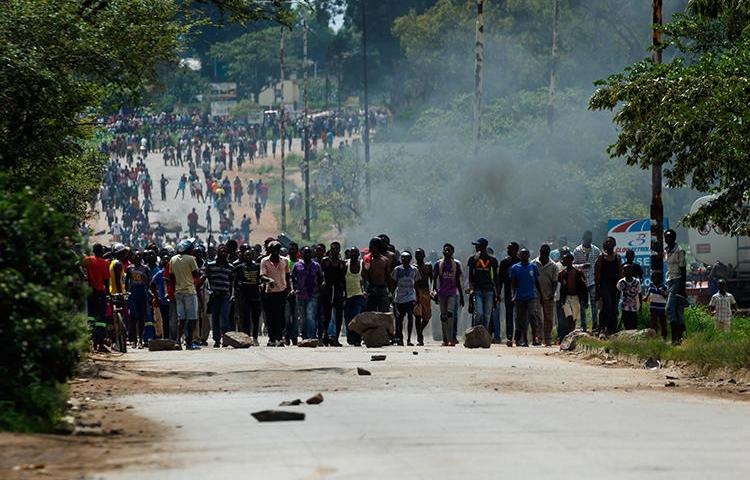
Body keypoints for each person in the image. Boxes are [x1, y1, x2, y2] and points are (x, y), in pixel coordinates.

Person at [169, 239, 201, 349]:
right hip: (190, 292)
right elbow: (196, 275)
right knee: (192, 318)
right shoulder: (191, 259)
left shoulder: (172, 260)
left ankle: (178, 341)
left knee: (181, 319)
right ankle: (189, 342)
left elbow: (171, 277)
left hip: (178, 292)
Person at [432, 243, 464, 347]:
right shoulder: (438, 264)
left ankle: (451, 338)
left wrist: (462, 296)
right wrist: (434, 291)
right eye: (445, 250)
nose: (446, 252)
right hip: (442, 293)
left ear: (452, 252)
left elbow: (457, 281)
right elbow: (435, 278)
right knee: (443, 316)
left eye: (449, 250)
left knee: (450, 315)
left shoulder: (455, 265)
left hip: (452, 293)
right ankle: (445, 338)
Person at [260, 241, 290, 346]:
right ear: (270, 250)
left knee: (281, 316)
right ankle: (271, 338)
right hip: (269, 293)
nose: (276, 252)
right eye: (274, 250)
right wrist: (269, 280)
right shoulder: (264, 261)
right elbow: (262, 276)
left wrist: (289, 290)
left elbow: (287, 276)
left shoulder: (285, 261)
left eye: (278, 249)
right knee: (270, 316)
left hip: (281, 292)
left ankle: (279, 337)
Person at [291, 246, 323, 341]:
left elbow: (321, 278)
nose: (307, 254)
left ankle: (312, 336)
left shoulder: (316, 265)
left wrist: (318, 289)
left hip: (313, 295)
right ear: (301, 254)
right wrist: (295, 288)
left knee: (310, 316)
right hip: (301, 295)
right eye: (305, 252)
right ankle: (304, 336)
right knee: (303, 317)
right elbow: (292, 278)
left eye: (309, 252)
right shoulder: (297, 265)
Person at [466, 237, 499, 330]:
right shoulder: (472, 259)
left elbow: (496, 278)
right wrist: (471, 288)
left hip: (489, 290)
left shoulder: (492, 260)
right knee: (479, 313)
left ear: (483, 246)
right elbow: (470, 276)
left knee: (487, 315)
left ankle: (484, 334)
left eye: (477, 245)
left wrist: (497, 293)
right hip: (477, 290)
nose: (475, 247)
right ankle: (476, 331)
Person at [510, 248, 540, 347]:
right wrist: (513, 295)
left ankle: (535, 338)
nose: (524, 256)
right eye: (522, 254)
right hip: (519, 296)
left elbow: (537, 281)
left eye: (526, 254)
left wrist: (541, 294)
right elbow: (513, 283)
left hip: (531, 296)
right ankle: (524, 340)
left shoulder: (533, 267)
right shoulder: (515, 268)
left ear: (528, 255)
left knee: (532, 316)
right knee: (521, 319)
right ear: (519, 256)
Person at [83, 243, 110, 352]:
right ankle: (100, 344)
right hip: (100, 292)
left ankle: (91, 342)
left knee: (91, 317)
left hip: (90, 292)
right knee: (101, 319)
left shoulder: (88, 260)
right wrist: (108, 293)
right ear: (102, 252)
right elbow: (106, 280)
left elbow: (80, 262)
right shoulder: (104, 263)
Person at [232, 248, 262, 345]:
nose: (248, 257)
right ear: (243, 256)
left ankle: (255, 337)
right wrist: (237, 291)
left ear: (253, 256)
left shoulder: (257, 266)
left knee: (255, 317)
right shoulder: (239, 267)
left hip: (256, 296)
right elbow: (234, 280)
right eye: (246, 255)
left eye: (250, 255)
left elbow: (261, 278)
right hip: (244, 296)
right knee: (245, 318)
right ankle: (247, 337)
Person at [573, 231, 602, 332]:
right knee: (582, 303)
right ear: (583, 239)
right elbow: (572, 265)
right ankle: (583, 325)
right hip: (582, 281)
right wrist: (582, 266)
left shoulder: (596, 250)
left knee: (594, 303)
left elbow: (599, 265)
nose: (588, 240)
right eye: (587, 239)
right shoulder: (577, 251)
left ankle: (595, 325)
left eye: (590, 239)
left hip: (593, 280)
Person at [319, 242, 347, 346]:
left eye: (337, 248)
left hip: (338, 290)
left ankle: (336, 338)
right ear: (330, 249)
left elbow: (343, 279)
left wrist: (345, 293)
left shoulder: (342, 263)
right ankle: (325, 335)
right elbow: (321, 274)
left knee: (339, 315)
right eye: (333, 248)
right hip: (328, 290)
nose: (335, 250)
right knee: (326, 315)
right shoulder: (325, 261)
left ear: (339, 250)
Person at [206, 245, 233, 347]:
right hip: (215, 296)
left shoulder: (230, 267)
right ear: (218, 253)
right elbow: (207, 278)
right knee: (215, 318)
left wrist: (231, 295)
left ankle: (225, 338)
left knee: (225, 318)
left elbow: (231, 282)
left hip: (225, 296)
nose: (223, 253)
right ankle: (217, 339)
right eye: (221, 251)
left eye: (225, 252)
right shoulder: (211, 265)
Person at [391, 251, 421, 346]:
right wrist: (392, 295)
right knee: (400, 319)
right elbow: (394, 283)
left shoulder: (414, 270)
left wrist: (418, 297)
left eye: (406, 258)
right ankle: (400, 338)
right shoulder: (397, 270)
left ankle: (408, 339)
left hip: (410, 296)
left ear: (410, 259)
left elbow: (416, 284)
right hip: (399, 297)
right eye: (402, 258)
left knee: (410, 317)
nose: (404, 260)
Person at [595, 237, 623, 335]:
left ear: (614, 244)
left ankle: (612, 328)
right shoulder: (601, 257)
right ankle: (603, 327)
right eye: (607, 242)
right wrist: (597, 287)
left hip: (615, 285)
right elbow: (597, 273)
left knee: (614, 307)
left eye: (611, 242)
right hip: (604, 285)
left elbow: (620, 272)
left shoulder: (617, 257)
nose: (609, 243)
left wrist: (620, 285)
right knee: (607, 306)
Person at [533, 244, 559, 346]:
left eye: (546, 252)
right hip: (536, 293)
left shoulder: (553, 266)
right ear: (540, 252)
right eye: (543, 252)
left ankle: (547, 338)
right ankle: (538, 337)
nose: (544, 254)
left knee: (549, 317)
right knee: (538, 315)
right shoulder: (534, 263)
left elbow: (555, 282)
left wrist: (552, 294)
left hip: (548, 294)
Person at [557, 252, 587, 339]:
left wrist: (585, 299)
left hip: (576, 298)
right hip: (566, 298)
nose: (564, 261)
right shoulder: (562, 274)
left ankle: (571, 335)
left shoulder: (578, 273)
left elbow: (583, 287)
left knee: (574, 319)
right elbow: (560, 288)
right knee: (569, 317)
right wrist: (560, 300)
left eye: (566, 260)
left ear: (571, 261)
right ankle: (569, 335)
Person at [665, 229, 687, 343]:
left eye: (670, 237)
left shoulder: (679, 251)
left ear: (674, 238)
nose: (667, 239)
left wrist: (683, 289)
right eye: (666, 237)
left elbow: (683, 270)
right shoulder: (666, 250)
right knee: (677, 310)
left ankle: (674, 336)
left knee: (669, 309)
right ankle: (679, 337)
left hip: (677, 280)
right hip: (669, 280)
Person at [126, 252, 151, 348]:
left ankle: (140, 339)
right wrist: (126, 293)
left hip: (142, 292)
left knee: (141, 317)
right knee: (133, 315)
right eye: (135, 256)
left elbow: (148, 282)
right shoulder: (129, 268)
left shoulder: (145, 269)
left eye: (138, 256)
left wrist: (148, 292)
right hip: (133, 293)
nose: (137, 258)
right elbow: (127, 282)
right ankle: (134, 340)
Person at [362, 237, 392, 313]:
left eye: (375, 248)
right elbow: (364, 276)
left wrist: (391, 291)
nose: (373, 250)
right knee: (370, 312)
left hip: (382, 288)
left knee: (384, 312)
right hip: (371, 288)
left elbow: (388, 277)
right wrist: (365, 290)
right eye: (372, 248)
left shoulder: (385, 260)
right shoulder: (367, 260)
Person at [344, 247, 366, 346]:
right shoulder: (345, 265)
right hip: (348, 296)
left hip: (359, 295)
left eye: (355, 252)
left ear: (358, 254)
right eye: (352, 253)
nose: (353, 254)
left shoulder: (362, 264)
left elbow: (365, 278)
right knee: (348, 318)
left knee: (356, 317)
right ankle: (350, 337)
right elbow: (342, 280)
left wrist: (365, 291)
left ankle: (357, 338)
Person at [499, 242, 520, 346]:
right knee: (509, 315)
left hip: (519, 292)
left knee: (519, 315)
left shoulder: (520, 262)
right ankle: (509, 336)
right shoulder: (504, 263)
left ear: (516, 250)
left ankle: (519, 337)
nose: (508, 250)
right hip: (507, 292)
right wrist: (498, 294)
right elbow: (500, 280)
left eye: (510, 248)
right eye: (507, 249)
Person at [413, 248, 433, 346]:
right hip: (416, 292)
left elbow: (432, 280)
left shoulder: (428, 267)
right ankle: (420, 338)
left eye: (420, 254)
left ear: (424, 255)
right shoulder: (413, 267)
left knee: (427, 317)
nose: (418, 256)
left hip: (426, 292)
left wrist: (433, 291)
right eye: (416, 254)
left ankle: (419, 330)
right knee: (418, 315)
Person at [617, 264, 642, 330]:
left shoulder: (637, 282)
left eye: (625, 270)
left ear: (631, 271)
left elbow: (639, 294)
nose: (623, 271)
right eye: (623, 270)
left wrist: (640, 306)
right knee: (626, 323)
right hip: (624, 306)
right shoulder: (621, 282)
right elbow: (618, 293)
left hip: (634, 307)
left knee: (633, 323)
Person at [645, 272, 668, 340]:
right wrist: (646, 297)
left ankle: (664, 337)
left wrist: (660, 291)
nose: (652, 279)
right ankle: (654, 337)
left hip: (662, 307)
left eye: (654, 277)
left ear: (659, 278)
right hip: (653, 306)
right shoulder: (651, 285)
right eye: (652, 277)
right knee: (653, 323)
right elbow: (649, 292)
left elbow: (666, 295)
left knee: (663, 323)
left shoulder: (664, 287)